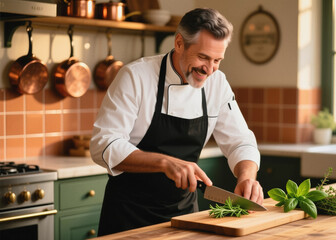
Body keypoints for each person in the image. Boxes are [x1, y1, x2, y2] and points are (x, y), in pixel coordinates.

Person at [90, 8, 263, 236]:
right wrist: (165, 162)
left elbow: (240, 141)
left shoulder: (217, 83)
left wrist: (247, 177)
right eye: (203, 57)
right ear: (179, 43)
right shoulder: (135, 77)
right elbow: (104, 144)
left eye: (217, 60)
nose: (209, 69)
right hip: (129, 216)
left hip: (184, 217)